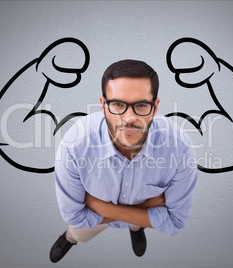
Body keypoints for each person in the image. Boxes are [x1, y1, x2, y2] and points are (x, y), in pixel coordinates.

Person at [50, 59, 197, 263]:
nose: (129, 118)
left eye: (141, 105)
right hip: (140, 211)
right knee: (78, 233)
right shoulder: (75, 144)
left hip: (99, 212)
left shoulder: (179, 146)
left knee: (133, 223)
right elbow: (75, 218)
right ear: (103, 105)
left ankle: (136, 228)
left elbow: (176, 222)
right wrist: (146, 209)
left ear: (155, 107)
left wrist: (98, 206)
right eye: (118, 104)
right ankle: (69, 239)